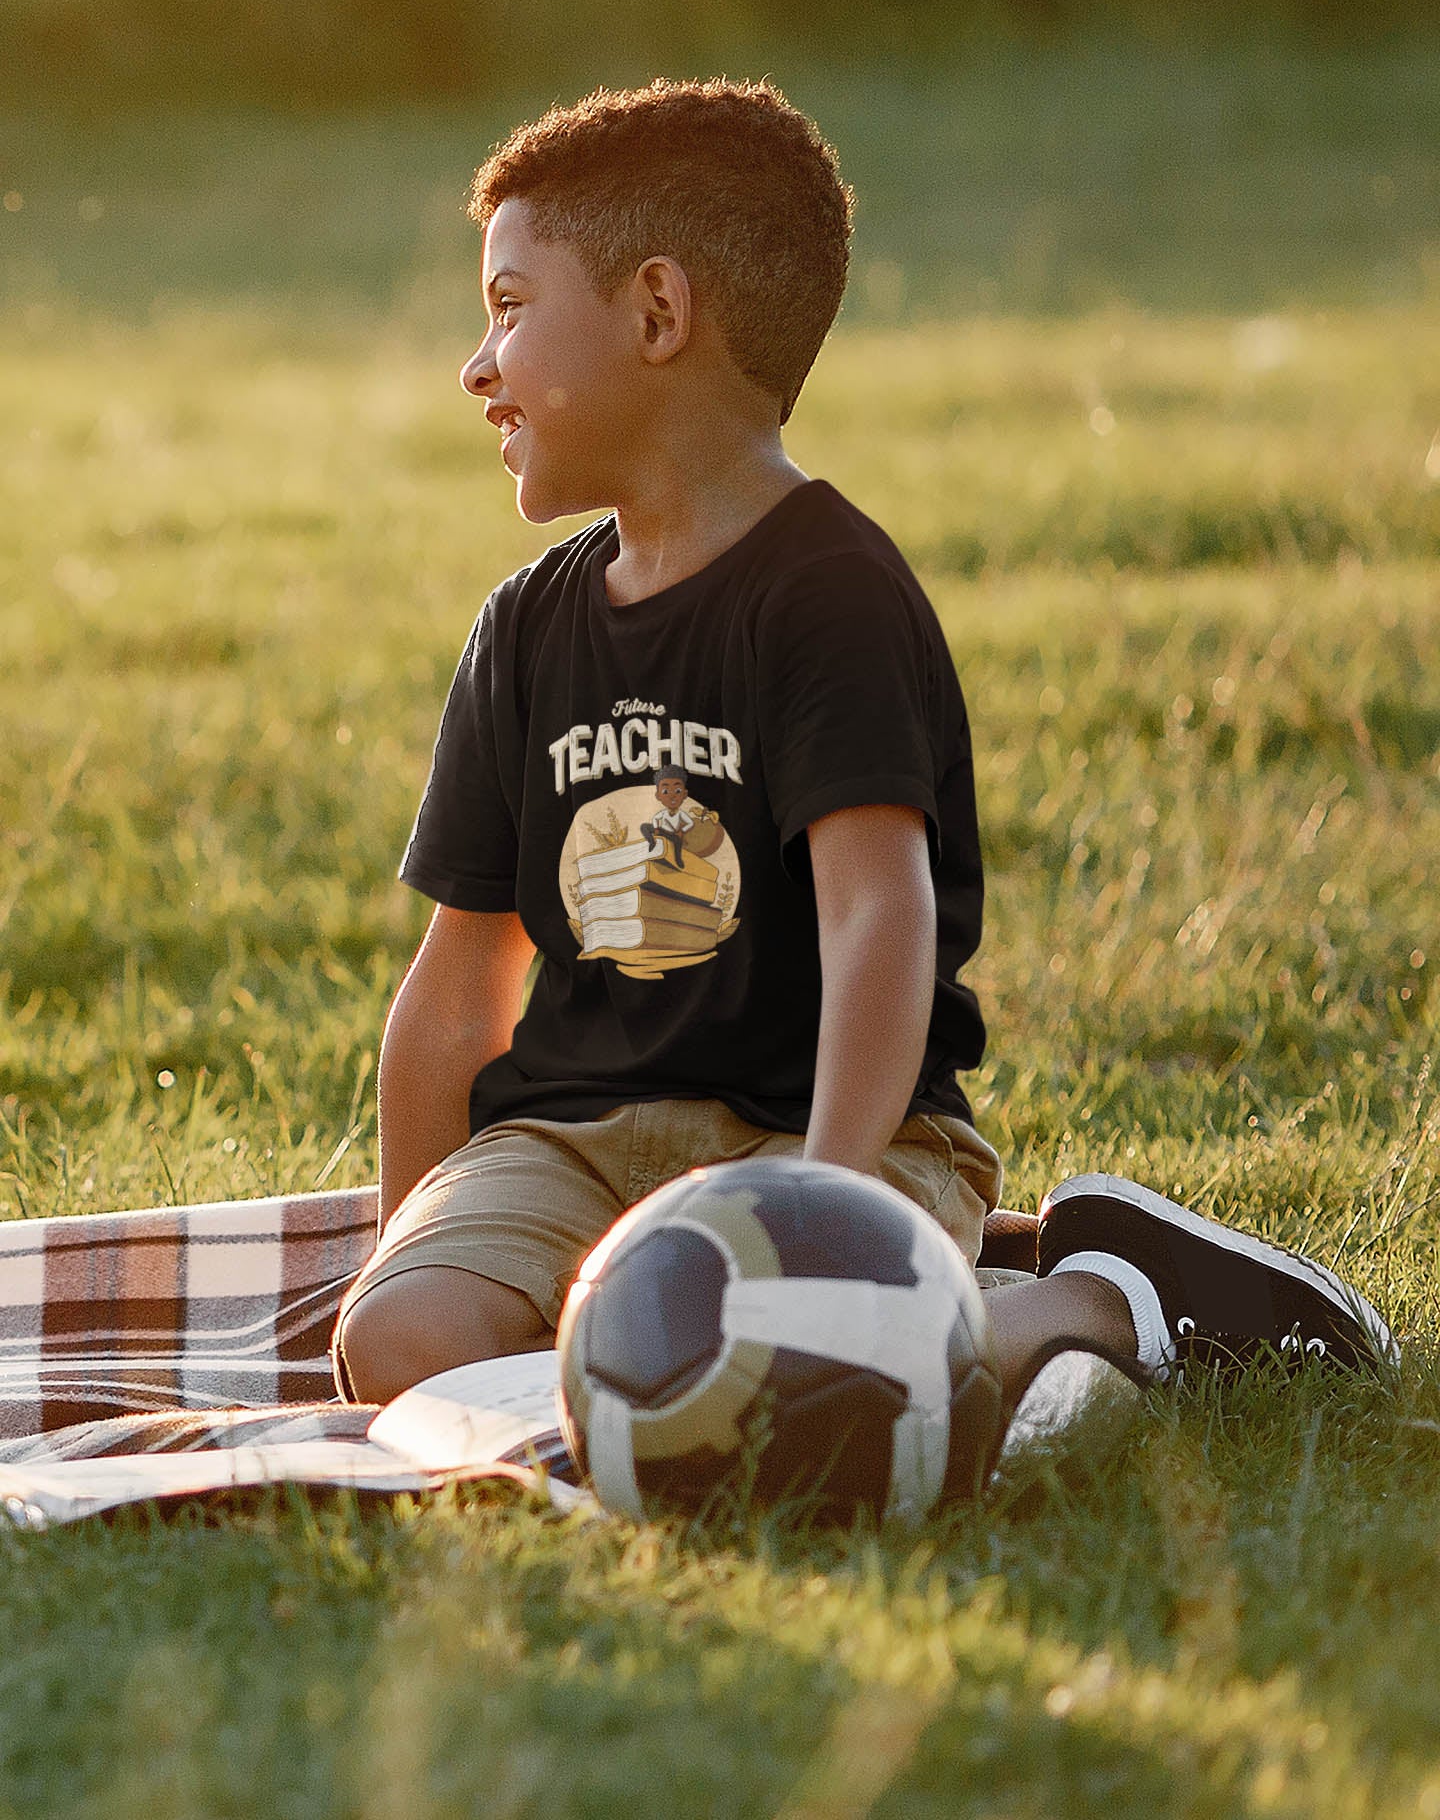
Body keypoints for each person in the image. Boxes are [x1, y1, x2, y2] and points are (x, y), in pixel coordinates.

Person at [332, 79, 1395, 1417]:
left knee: (781, 1375)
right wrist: (403, 1246)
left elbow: (878, 919)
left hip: (835, 1130)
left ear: (658, 313)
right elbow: (454, 990)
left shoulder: (825, 594)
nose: (477, 366)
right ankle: (854, 1328)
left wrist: (824, 1214)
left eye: (507, 307)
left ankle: (1100, 1302)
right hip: (574, 1139)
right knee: (406, 1346)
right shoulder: (528, 627)